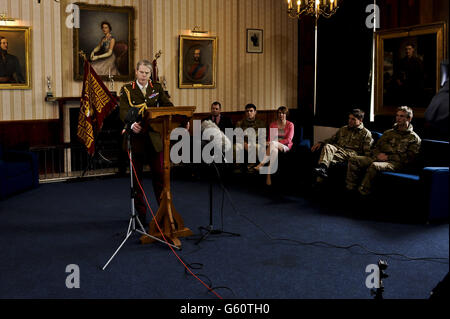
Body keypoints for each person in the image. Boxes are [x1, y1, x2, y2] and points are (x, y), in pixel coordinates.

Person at [119, 59, 173, 226]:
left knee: (160, 176)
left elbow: (167, 104)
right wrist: (130, 124)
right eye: (141, 72)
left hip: (155, 139)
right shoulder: (127, 89)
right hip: (136, 140)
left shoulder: (156, 88)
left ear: (151, 74)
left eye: (147, 73)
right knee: (137, 180)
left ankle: (163, 213)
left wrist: (176, 112)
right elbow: (123, 111)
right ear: (136, 72)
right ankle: (140, 215)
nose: (144, 76)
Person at [346, 106, 421, 196]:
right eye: (397, 115)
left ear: (409, 118)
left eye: (401, 116)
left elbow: (409, 158)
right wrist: (378, 155)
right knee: (354, 160)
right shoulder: (388, 133)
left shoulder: (414, 138)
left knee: (375, 166)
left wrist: (388, 157)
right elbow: (376, 147)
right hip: (378, 158)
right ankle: (350, 189)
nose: (398, 118)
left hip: (396, 163)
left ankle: (363, 191)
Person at [312, 109, 373, 180]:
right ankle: (322, 168)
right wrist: (321, 142)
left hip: (351, 153)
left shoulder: (366, 133)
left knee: (325, 157)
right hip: (338, 149)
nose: (350, 121)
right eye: (349, 118)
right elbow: (332, 140)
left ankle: (319, 180)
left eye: (353, 119)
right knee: (328, 146)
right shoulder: (344, 129)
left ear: (360, 120)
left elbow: (367, 153)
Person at [254, 106, 294, 186]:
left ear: (286, 114)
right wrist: (270, 142)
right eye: (279, 113)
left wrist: (276, 142)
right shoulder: (273, 124)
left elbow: (289, 140)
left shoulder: (290, 125)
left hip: (285, 146)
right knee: (274, 150)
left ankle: (261, 164)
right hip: (273, 146)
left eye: (283, 113)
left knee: (273, 144)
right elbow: (270, 138)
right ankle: (268, 176)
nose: (281, 115)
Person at [234, 103, 266, 172]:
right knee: (236, 147)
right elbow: (237, 136)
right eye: (247, 111)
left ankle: (251, 169)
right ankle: (237, 169)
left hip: (256, 142)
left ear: (255, 112)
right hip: (243, 142)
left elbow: (262, 137)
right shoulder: (240, 123)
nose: (249, 113)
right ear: (245, 112)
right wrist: (244, 143)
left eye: (251, 111)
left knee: (254, 147)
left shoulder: (261, 123)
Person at [395, 43, 424, 107]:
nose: (407, 51)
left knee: (413, 104)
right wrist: (398, 80)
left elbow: (421, 75)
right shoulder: (402, 61)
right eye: (406, 49)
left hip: (414, 86)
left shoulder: (418, 61)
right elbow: (397, 72)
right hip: (404, 87)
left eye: (409, 49)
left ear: (413, 50)